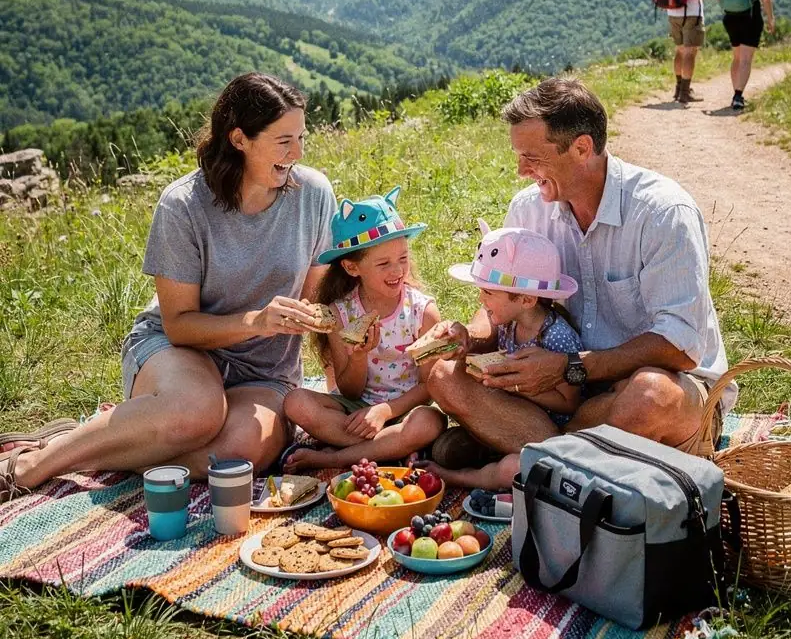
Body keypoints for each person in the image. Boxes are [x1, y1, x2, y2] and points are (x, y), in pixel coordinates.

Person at [0, 73, 336, 501]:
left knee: (241, 453)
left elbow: (317, 302)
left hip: (265, 371)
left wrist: (341, 381)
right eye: (284, 141)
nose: (298, 153)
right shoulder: (183, 205)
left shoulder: (314, 194)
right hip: (178, 350)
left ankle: (110, 439)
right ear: (239, 139)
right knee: (198, 412)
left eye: (301, 137)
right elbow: (179, 325)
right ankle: (32, 464)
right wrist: (257, 322)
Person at [424, 76, 731, 468]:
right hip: (564, 398)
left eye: (532, 157)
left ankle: (525, 449)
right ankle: (564, 456)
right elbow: (505, 297)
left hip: (655, 387)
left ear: (582, 148)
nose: (521, 170)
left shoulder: (664, 213)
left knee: (650, 396)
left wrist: (571, 368)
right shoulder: (528, 209)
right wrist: (471, 337)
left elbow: (681, 346)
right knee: (443, 375)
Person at [282, 188, 446, 470]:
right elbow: (350, 392)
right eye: (383, 263)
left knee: (429, 422)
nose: (397, 271)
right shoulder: (340, 315)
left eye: (403, 258)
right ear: (351, 267)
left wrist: (385, 411)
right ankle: (391, 448)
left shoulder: (422, 312)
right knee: (296, 402)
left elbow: (428, 386)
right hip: (356, 412)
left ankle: (335, 457)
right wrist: (358, 356)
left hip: (405, 410)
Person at [425, 224, 582, 491]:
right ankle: (489, 446)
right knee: (445, 441)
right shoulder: (508, 321)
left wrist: (517, 384)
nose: (481, 299)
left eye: (488, 293)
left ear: (526, 300)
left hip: (546, 431)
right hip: (511, 412)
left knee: (511, 468)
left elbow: (570, 403)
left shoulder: (557, 337)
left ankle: (462, 475)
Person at [715, 0, 775, 112]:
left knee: (737, 57)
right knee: (746, 59)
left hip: (730, 17)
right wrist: (770, 18)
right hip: (750, 16)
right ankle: (738, 95)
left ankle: (736, 92)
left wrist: (731, 5)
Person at [667, 0, 717, 105]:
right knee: (690, 52)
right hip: (691, 13)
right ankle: (685, 92)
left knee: (679, 50)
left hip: (672, 12)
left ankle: (678, 88)